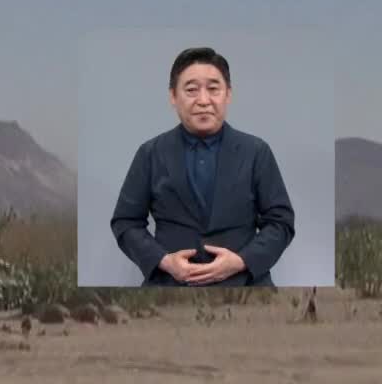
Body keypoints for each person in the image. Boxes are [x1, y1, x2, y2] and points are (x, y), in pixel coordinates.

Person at [109, 46, 296, 286]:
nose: (203, 100)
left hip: (246, 286)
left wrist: (241, 261)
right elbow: (125, 222)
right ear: (173, 97)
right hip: (169, 288)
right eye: (191, 90)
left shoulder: (257, 152)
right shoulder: (150, 153)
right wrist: (165, 262)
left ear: (228, 94)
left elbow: (281, 222)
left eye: (213, 89)